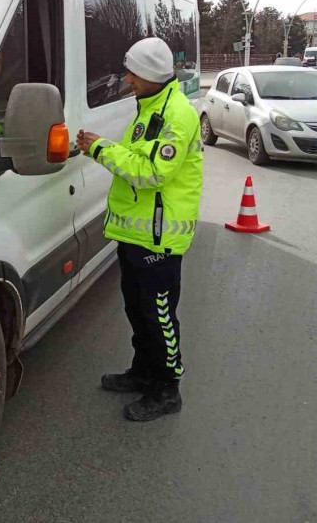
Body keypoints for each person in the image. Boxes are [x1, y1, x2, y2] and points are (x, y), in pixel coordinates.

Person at [75, 37, 204, 422]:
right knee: (137, 308)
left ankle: (167, 389)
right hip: (137, 235)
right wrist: (102, 147)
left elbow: (150, 172)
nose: (127, 78)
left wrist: (100, 148)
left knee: (159, 315)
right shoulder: (150, 107)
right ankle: (143, 371)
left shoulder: (177, 115)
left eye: (132, 72)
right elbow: (137, 157)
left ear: (149, 75)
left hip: (159, 239)